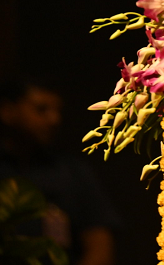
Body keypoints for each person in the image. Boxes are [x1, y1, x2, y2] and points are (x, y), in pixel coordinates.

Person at [0, 76, 118, 265]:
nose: (54, 119)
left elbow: (99, 245)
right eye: (41, 110)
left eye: (57, 111)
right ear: (7, 111)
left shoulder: (72, 172)